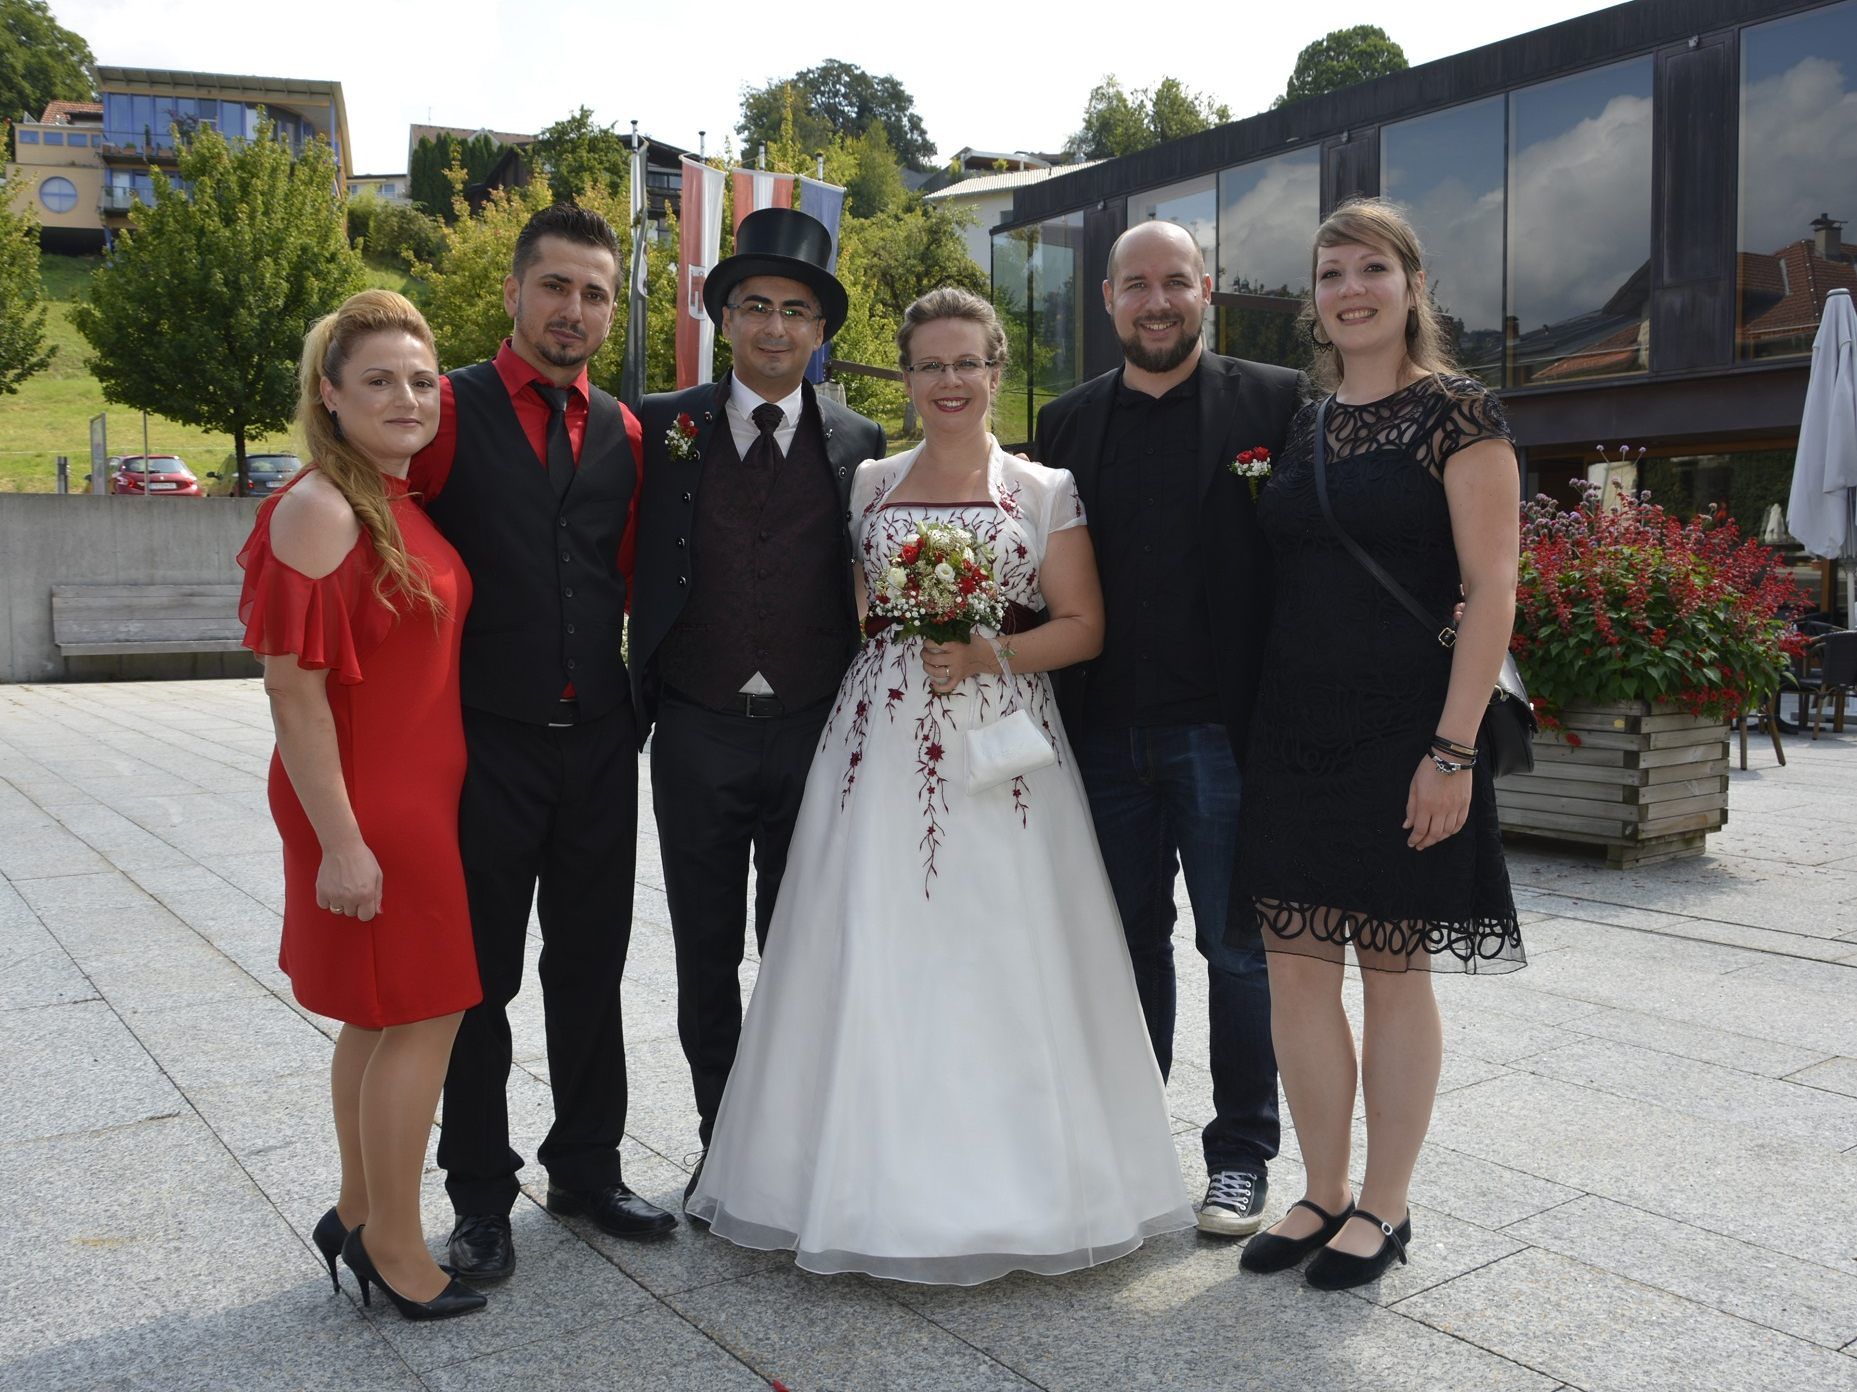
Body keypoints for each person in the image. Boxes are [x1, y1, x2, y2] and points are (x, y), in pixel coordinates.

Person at [685, 286, 1194, 1283]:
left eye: (968, 363)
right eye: (930, 365)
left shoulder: (1043, 490)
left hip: (1003, 741)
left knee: (1005, 946)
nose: (949, 382)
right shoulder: (869, 481)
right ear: (906, 377)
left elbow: (1083, 626)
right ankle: (849, 1180)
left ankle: (1026, 1187)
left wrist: (991, 649)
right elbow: (863, 612)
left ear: (996, 371)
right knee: (873, 942)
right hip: (878, 740)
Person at [1231, 197, 1524, 1292]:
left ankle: (1387, 1206)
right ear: (1314, 302)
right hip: (1294, 732)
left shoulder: (1457, 412)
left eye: (1370, 269)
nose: (1350, 290)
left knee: (1393, 973)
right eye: (1330, 274)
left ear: (1411, 285)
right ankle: (1322, 1190)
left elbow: (1494, 587)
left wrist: (1452, 753)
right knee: (1296, 975)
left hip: (1410, 735)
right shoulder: (1302, 423)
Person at [410, 204, 672, 1283]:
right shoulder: (451, 412)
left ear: (611, 311)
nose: (574, 310)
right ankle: (480, 1194)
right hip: (486, 742)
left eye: (595, 294)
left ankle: (587, 1165)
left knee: (593, 965)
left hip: (601, 738)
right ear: (515, 293)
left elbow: (623, 569)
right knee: (479, 980)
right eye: (556, 287)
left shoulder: (627, 430)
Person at [1033, 219, 1299, 1238]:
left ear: (1208, 291)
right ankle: (1134, 1153)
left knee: (1240, 954)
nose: (1157, 301)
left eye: (1175, 282)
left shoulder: (1274, 403)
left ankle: (1240, 1156)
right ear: (1108, 301)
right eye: (1136, 285)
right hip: (1101, 738)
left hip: (1225, 737)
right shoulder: (1063, 424)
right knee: (1122, 947)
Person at [238, 289, 486, 1321]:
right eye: (379, 379)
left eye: (422, 381)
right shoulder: (321, 508)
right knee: (428, 1012)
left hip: (409, 794)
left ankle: (355, 1212)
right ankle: (394, 1244)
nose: (408, 397)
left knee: (380, 1018)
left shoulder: (390, 498)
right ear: (329, 395)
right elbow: (291, 689)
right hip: (370, 806)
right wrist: (342, 843)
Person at [630, 208, 885, 1201]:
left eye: (796, 311)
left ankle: (791, 1144)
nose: (775, 328)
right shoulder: (662, 427)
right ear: (724, 319)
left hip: (814, 733)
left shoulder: (862, 441)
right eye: (756, 308)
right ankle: (718, 1142)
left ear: (822, 332)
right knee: (704, 952)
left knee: (798, 950)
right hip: (694, 730)